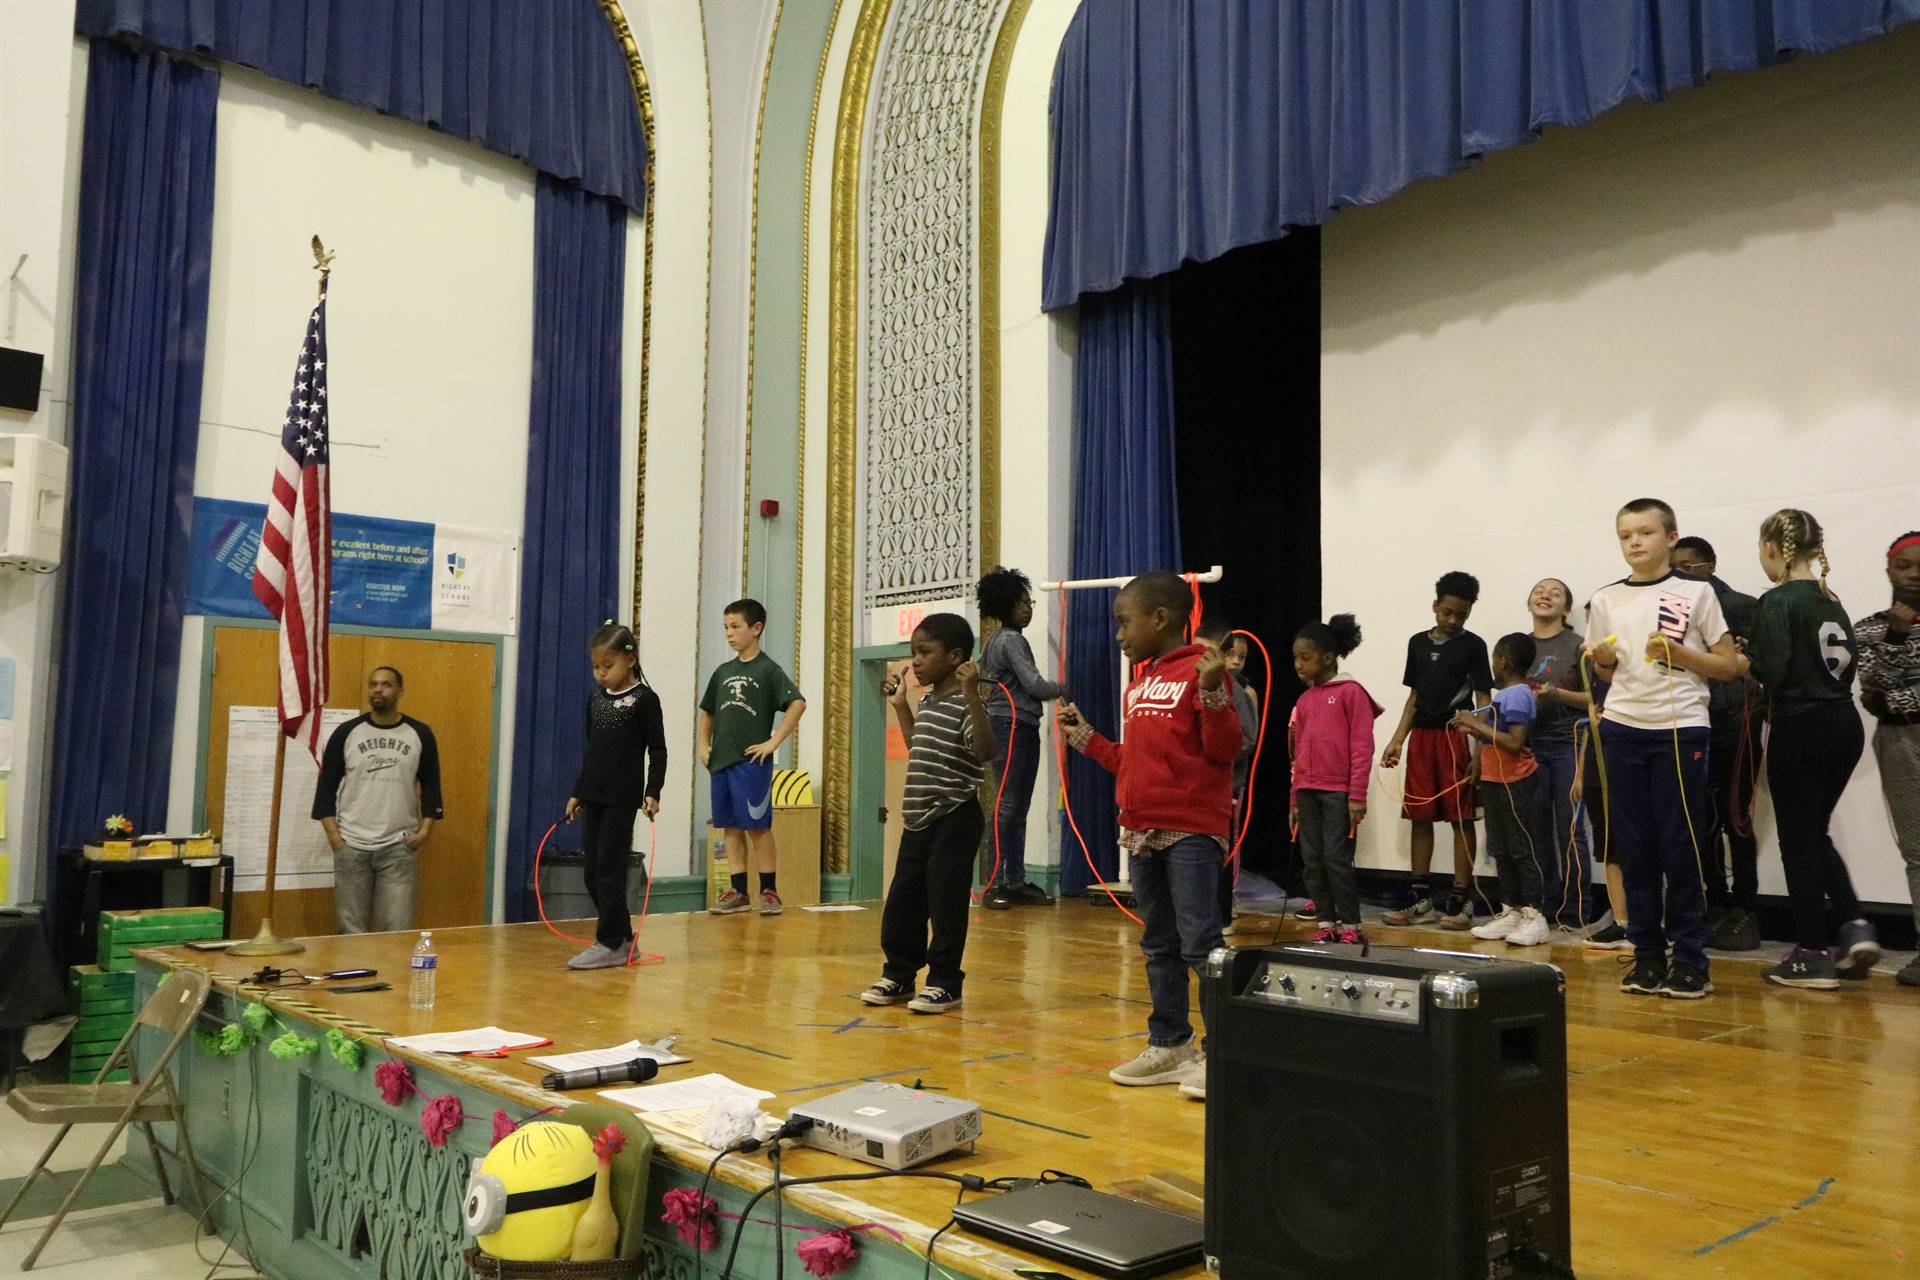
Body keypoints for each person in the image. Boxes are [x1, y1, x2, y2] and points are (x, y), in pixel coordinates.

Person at [1058, 571, 1239, 1099]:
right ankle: (1170, 1044)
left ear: (1160, 618)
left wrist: (1211, 694)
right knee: (1157, 943)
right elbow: (1132, 761)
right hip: (1140, 829)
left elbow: (1225, 750)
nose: (1118, 634)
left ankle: (1219, 1050)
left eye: (1123, 622)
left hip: (1190, 831)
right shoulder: (1139, 682)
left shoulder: (1204, 673)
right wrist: (1087, 739)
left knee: (1201, 942)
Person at [1585, 499, 1747, 1000]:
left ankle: (1692, 961)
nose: (1635, 542)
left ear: (1671, 538)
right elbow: (1604, 670)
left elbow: (1729, 665)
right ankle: (1647, 956)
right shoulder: (1606, 597)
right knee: (1635, 848)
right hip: (1623, 729)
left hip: (1680, 729)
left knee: (1680, 845)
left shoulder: (1695, 593)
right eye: (1626, 534)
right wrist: (1605, 662)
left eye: (1646, 532)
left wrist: (1681, 655)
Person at [1748, 511, 1880, 989]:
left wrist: (1749, 659)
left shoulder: (1778, 600)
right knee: (1814, 833)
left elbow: (1775, 670)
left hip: (1800, 726)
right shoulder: (1831, 600)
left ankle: (1811, 953)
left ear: (1771, 548)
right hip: (1843, 725)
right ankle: (1854, 924)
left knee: (1797, 841)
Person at [861, 614, 995, 1014]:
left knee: (946, 903)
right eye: (912, 653)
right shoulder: (929, 698)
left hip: (954, 816)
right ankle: (900, 974)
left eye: (925, 652)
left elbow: (985, 750)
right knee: (903, 901)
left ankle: (945, 983)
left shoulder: (968, 702)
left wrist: (972, 694)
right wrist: (901, 706)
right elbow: (917, 743)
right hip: (918, 819)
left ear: (955, 657)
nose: (915, 661)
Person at [1671, 536, 1767, 951]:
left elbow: (1762, 667)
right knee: (1701, 823)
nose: (1678, 575)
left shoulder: (1744, 606)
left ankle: (1745, 910)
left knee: (1737, 822)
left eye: (1687, 567)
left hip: (1738, 726)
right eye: (1673, 568)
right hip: (1695, 726)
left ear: (1710, 564)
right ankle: (1715, 904)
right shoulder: (1676, 608)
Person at [1380, 571, 1491, 930]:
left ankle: (1461, 898)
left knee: (1461, 817)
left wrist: (1480, 748)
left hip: (1455, 736)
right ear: (1435, 605)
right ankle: (1420, 896)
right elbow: (1413, 697)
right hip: (1422, 739)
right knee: (1420, 816)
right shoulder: (1417, 643)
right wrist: (1398, 739)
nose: (1454, 620)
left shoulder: (1474, 645)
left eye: (1462, 614)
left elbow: (1483, 699)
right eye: (1447, 612)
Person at [562, 623, 668, 970]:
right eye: (596, 667)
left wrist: (653, 791)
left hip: (622, 797)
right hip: (594, 795)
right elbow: (593, 751)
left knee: (610, 870)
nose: (601, 674)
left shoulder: (645, 701)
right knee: (592, 873)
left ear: (631, 660)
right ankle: (623, 939)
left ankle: (608, 942)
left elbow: (658, 749)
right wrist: (578, 791)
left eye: (608, 666)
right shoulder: (595, 700)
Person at [313, 667, 444, 934]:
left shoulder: (419, 733)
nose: (378, 690)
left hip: (398, 848)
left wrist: (424, 833)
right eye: (373, 684)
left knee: (395, 929)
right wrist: (335, 838)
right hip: (352, 846)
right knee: (350, 931)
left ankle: (392, 977)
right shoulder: (347, 732)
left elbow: (432, 789)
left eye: (386, 685)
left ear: (400, 691)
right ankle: (356, 976)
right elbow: (325, 789)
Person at [699, 599, 807, 915]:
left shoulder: (768, 670)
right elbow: (708, 712)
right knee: (730, 828)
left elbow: (797, 703)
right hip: (722, 762)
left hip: (751, 763)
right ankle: (739, 891)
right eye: (726, 628)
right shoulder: (722, 673)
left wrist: (774, 741)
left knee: (757, 827)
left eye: (736, 627)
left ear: (756, 628)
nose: (729, 634)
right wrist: (704, 744)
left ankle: (770, 890)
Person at [974, 567, 1068, 909]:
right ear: (1005, 606)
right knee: (1009, 806)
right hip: (1011, 725)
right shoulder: (1011, 640)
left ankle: (1012, 880)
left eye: (1029, 602)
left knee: (1016, 807)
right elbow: (1035, 685)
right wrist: (1066, 687)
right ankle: (996, 881)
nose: (1027, 608)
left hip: (1018, 725)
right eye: (1021, 603)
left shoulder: (994, 642)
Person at [1287, 614, 1380, 944]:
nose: (1299, 664)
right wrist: (1294, 799)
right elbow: (1296, 755)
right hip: (1308, 792)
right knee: (1312, 860)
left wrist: (1357, 795)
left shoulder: (1351, 693)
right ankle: (1326, 921)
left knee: (1337, 859)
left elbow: (1361, 747)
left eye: (1305, 657)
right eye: (1296, 658)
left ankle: (1351, 925)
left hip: (1338, 793)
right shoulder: (1304, 699)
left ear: (1328, 657)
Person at [1456, 634, 1552, 948]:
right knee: (1501, 848)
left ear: (1502, 661)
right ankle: (1510, 910)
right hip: (1495, 781)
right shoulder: (1505, 696)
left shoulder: (1519, 695)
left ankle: (1534, 916)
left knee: (1522, 848)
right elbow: (1491, 739)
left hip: (1517, 782)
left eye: (1494, 660)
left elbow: (1514, 742)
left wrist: (1475, 724)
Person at [1855, 531, 1920, 988]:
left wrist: (1900, 693)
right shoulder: (1870, 628)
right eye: (1904, 565)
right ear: (1889, 572)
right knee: (1918, 852)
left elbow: (1892, 690)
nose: (1913, 573)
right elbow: (1875, 691)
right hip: (1901, 743)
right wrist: (1897, 635)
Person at [1522, 579, 1595, 928]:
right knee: (1536, 829)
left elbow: (1595, 701)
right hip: (1530, 749)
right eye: (1539, 591)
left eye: (1555, 593)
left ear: (1567, 609)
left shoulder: (1579, 646)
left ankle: (1575, 908)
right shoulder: (1519, 647)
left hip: (1568, 745)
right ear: (1529, 603)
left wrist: (1556, 695)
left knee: (1570, 829)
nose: (1545, 595)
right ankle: (1542, 906)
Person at [1196, 616, 1260, 928]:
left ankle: (1221, 918)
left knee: (1221, 853)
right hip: (1200, 789)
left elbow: (1245, 739)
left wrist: (1213, 750)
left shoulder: (1235, 690)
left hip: (1226, 788)